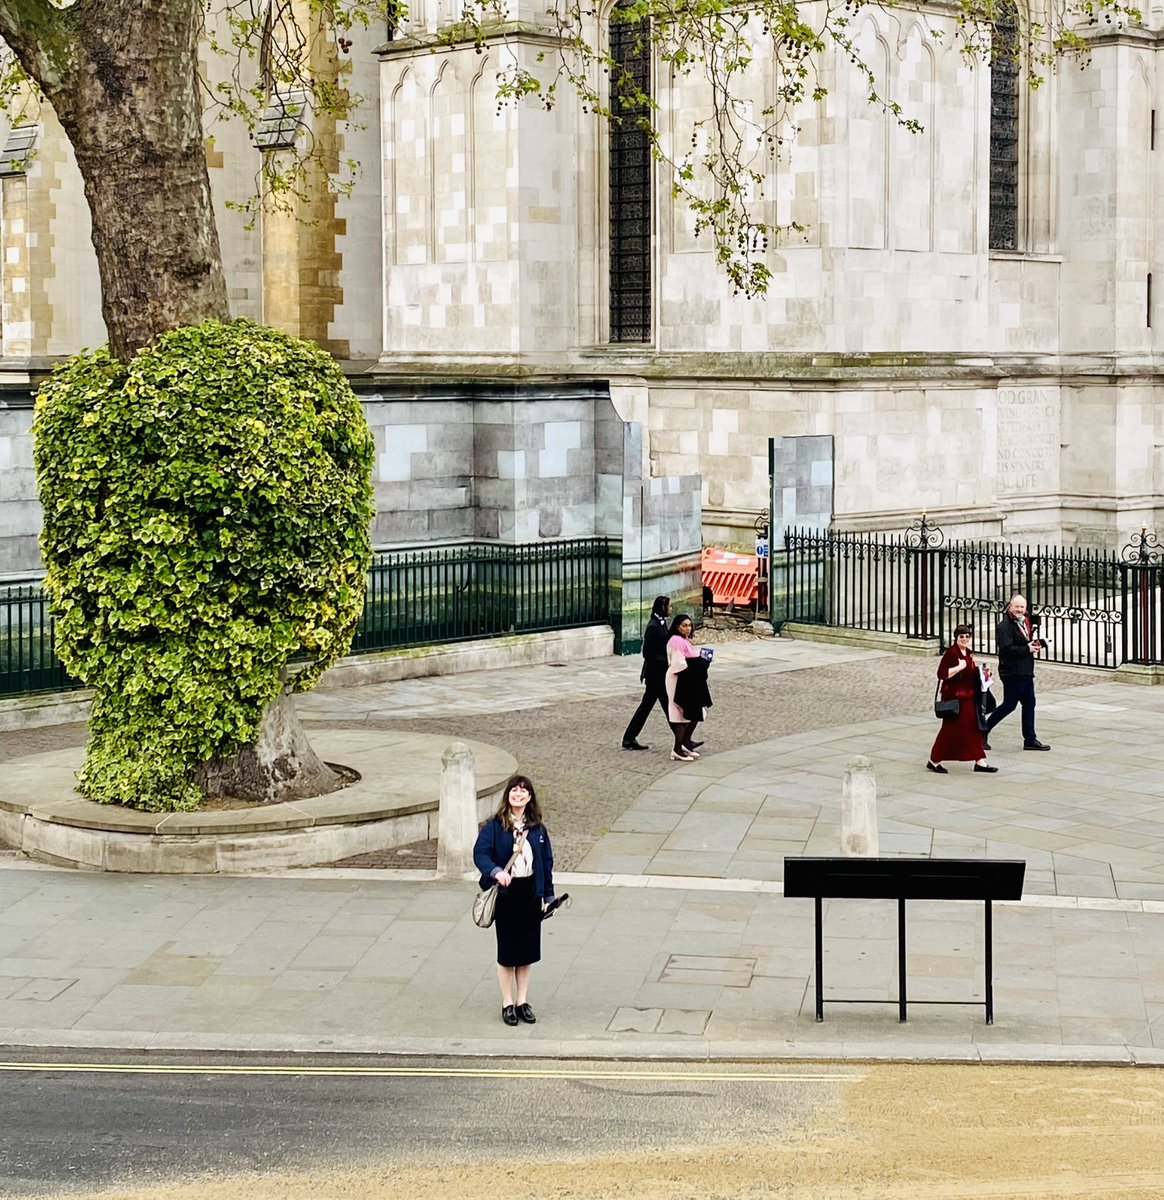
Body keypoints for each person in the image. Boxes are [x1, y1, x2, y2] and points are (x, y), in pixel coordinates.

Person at [473, 775, 555, 1027]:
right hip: (507, 895)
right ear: (508, 796)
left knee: (527, 951)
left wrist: (548, 895)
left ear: (529, 798)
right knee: (508, 952)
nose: (517, 795)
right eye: (514, 791)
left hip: (530, 893)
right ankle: (507, 1003)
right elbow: (480, 853)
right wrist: (497, 871)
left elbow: (546, 862)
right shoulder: (495, 826)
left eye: (523, 792)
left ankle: (522, 1001)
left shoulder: (537, 829)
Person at [984, 594, 1051, 751]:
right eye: (1017, 606)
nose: (1020, 610)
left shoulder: (1025, 621)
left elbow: (1023, 642)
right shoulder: (1004, 626)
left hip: (1026, 671)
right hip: (1012, 672)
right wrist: (1027, 649)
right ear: (1010, 607)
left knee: (1029, 703)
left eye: (1022, 607)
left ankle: (1030, 739)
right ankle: (982, 730)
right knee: (1009, 705)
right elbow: (1006, 649)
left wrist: (1034, 645)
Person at [927, 624, 996, 774]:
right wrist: (959, 667)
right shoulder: (951, 653)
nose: (964, 639)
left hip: (968, 696)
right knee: (949, 730)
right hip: (955, 698)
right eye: (961, 637)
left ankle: (979, 760)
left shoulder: (968, 653)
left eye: (967, 637)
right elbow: (942, 674)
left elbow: (970, 674)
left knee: (973, 728)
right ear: (956, 638)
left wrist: (984, 674)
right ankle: (934, 759)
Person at [621, 595, 671, 750]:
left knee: (656, 706)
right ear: (662, 608)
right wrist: (667, 660)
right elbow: (647, 653)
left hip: (659, 674)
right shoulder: (653, 627)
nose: (671, 609)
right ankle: (683, 738)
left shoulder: (661, 623)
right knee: (665, 706)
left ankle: (629, 738)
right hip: (655, 675)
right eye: (669, 606)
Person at [665, 613, 711, 762]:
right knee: (679, 714)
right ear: (677, 626)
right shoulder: (676, 641)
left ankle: (685, 743)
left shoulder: (684, 641)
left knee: (695, 711)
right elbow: (679, 664)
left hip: (688, 679)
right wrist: (699, 663)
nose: (687, 628)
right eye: (684, 625)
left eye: (689, 625)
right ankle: (677, 748)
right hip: (678, 679)